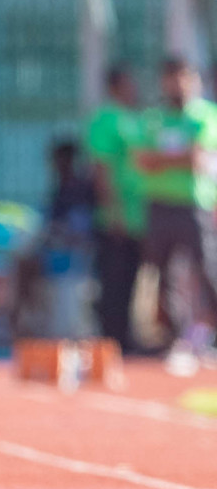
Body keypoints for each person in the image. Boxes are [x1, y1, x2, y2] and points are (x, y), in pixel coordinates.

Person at [133, 56, 217, 372]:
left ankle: (210, 338)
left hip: (194, 205)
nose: (178, 84)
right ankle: (173, 340)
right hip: (158, 205)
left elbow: (197, 159)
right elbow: (142, 159)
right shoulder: (153, 118)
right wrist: (178, 157)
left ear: (194, 80)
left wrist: (163, 159)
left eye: (184, 77)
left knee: (208, 271)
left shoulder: (206, 116)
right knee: (161, 275)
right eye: (172, 78)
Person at [85, 64, 146, 354]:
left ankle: (126, 336)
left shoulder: (136, 119)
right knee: (114, 280)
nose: (134, 88)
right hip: (117, 219)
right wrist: (115, 213)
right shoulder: (106, 120)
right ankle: (112, 339)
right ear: (114, 87)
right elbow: (101, 170)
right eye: (128, 83)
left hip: (139, 219)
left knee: (132, 280)